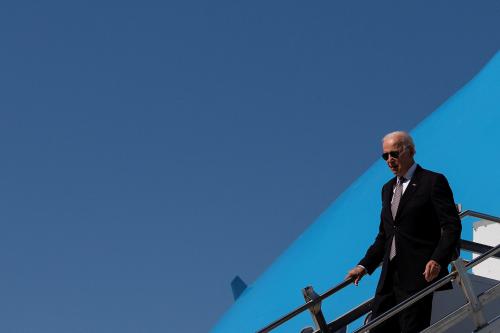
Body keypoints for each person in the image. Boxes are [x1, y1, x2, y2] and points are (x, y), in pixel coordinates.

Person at [346, 131, 462, 333]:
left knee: (411, 328)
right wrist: (363, 265)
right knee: (377, 328)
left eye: (394, 154)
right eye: (385, 156)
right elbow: (385, 235)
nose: (389, 160)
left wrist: (438, 259)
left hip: (419, 275)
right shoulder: (387, 189)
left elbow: (452, 226)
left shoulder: (432, 181)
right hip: (390, 277)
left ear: (410, 151)